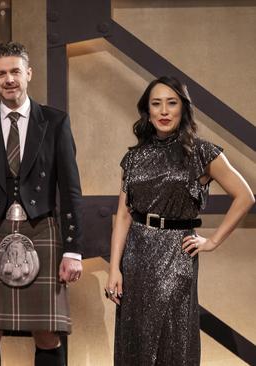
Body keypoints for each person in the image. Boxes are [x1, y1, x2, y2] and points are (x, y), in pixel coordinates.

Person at [0, 41, 84, 366]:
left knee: (48, 331)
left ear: (28, 73)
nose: (9, 79)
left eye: (14, 71)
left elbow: (70, 190)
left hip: (42, 229)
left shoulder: (54, 122)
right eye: (1, 74)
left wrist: (72, 249)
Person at [106, 76, 254, 365]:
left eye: (171, 103)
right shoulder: (134, 158)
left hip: (177, 255)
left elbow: (245, 196)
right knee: (135, 335)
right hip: (135, 255)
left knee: (172, 337)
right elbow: (123, 215)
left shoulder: (201, 152)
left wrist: (212, 242)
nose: (163, 111)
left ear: (183, 109)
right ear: (147, 111)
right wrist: (114, 269)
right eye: (156, 104)